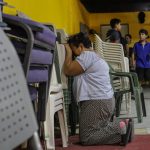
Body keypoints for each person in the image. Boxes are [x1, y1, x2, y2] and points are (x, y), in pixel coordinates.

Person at [64, 32, 132, 146]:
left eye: (73, 49)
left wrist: (68, 53)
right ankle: (123, 128)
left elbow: (68, 70)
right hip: (105, 101)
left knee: (87, 137)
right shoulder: (95, 55)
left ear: (81, 46)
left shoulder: (86, 56)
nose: (74, 56)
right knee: (98, 129)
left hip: (96, 102)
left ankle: (120, 128)